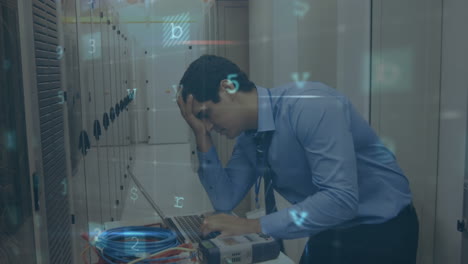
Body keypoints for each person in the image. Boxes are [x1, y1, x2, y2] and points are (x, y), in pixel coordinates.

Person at [176, 54, 419, 264]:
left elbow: (341, 199)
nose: (207, 125)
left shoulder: (311, 106)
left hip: (380, 230)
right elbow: (224, 198)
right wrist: (201, 135)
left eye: (205, 115)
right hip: (329, 227)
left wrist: (253, 226)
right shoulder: (250, 138)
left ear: (228, 87)